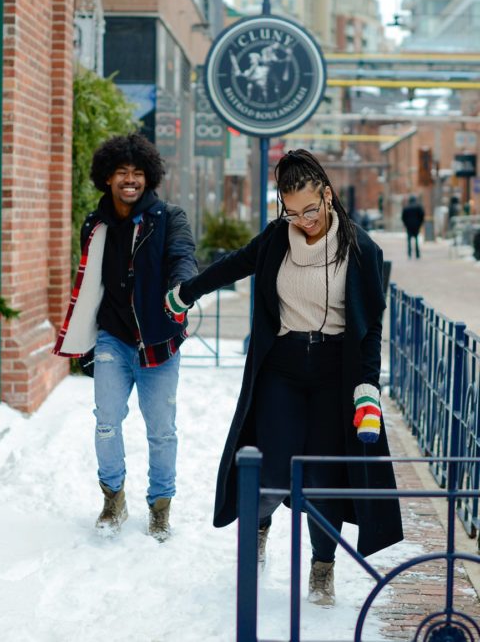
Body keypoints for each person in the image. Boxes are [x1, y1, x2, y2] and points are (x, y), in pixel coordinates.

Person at [166, 149, 403, 605]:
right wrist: (186, 293)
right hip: (282, 366)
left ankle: (322, 566)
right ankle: (257, 533)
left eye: (310, 210)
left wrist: (367, 389)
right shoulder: (278, 238)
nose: (302, 220)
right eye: (291, 212)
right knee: (270, 459)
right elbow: (234, 264)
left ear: (328, 196)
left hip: (335, 371)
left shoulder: (361, 249)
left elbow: (370, 326)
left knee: (321, 475)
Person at [54, 132, 198, 540]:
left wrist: (181, 288)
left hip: (159, 342)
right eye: (121, 173)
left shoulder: (169, 217)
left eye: (137, 173)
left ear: (148, 178)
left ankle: (160, 506)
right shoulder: (95, 223)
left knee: (162, 430)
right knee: (106, 422)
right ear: (107, 179)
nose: (130, 180)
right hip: (113, 339)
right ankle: (113, 496)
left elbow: (183, 257)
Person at [401, 194, 424, 259]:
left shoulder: (406, 208)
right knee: (416, 241)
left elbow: (403, 217)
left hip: (409, 227)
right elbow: (422, 216)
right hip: (416, 226)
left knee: (409, 241)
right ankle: (417, 254)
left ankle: (409, 254)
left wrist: (406, 225)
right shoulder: (418, 207)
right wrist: (419, 224)